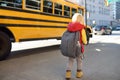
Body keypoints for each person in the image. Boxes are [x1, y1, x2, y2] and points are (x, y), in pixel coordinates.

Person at [65, 13, 87, 80]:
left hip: (71, 47)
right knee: (79, 60)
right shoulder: (81, 29)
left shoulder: (69, 27)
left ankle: (68, 74)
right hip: (78, 47)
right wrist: (85, 42)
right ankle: (79, 73)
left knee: (70, 60)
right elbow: (84, 40)